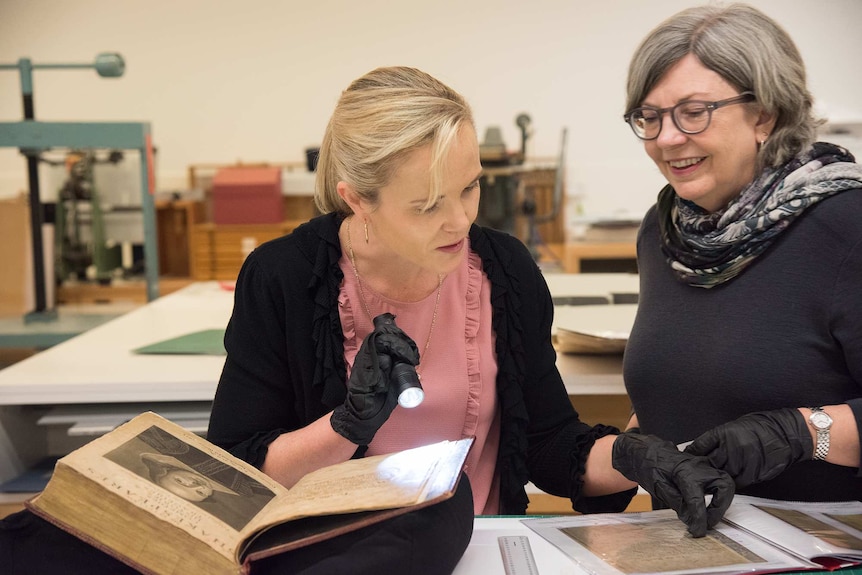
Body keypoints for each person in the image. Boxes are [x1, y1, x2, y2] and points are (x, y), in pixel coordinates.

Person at [205, 63, 737, 568]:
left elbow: (548, 444)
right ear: (356, 200)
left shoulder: (502, 269)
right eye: (427, 204)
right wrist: (346, 425)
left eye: (471, 187)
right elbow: (237, 474)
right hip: (338, 560)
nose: (459, 221)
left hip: (479, 552)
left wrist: (635, 458)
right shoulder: (285, 278)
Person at [621, 3, 862, 504]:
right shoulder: (664, 232)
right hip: (690, 542)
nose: (666, 138)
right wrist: (638, 447)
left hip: (822, 547)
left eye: (694, 112)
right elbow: (685, 388)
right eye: (650, 116)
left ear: (765, 114)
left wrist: (800, 432)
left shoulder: (846, 224)